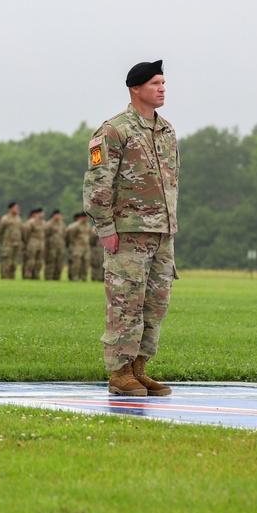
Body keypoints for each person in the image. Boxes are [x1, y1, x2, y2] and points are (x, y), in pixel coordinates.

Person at [84, 59, 179, 397]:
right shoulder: (114, 130)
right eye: (155, 83)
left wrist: (168, 227)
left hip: (161, 234)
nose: (162, 88)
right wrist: (105, 227)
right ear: (135, 89)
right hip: (127, 233)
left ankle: (139, 369)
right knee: (126, 302)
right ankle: (120, 372)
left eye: (164, 83)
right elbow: (98, 183)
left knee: (155, 304)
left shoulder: (167, 130)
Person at [0, 202, 23, 279]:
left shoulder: (18, 219)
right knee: (6, 262)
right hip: (8, 244)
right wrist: (4, 241)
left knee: (14, 263)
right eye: (16, 208)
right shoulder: (5, 219)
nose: (17, 209)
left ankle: (12, 278)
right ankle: (5, 278)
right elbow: (0, 231)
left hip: (17, 244)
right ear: (11, 209)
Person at [65, 212, 91, 281]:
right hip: (77, 247)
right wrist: (74, 244)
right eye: (84, 217)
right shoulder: (76, 226)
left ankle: (84, 277)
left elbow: (90, 236)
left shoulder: (88, 225)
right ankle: (74, 277)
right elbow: (71, 237)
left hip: (86, 247)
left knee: (86, 263)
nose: (86, 219)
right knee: (76, 263)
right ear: (81, 218)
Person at [21, 208, 46, 280]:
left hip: (41, 244)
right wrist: (27, 241)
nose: (43, 214)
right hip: (32, 243)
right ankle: (28, 275)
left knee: (39, 261)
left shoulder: (43, 223)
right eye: (41, 213)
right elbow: (26, 233)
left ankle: (36, 275)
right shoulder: (31, 222)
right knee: (30, 260)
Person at [44, 209, 66, 280]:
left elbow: (65, 235)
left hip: (60, 247)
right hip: (51, 247)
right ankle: (48, 277)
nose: (60, 216)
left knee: (59, 263)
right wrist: (46, 248)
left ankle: (57, 278)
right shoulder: (48, 224)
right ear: (54, 215)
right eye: (58, 215)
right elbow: (46, 237)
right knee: (51, 263)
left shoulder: (62, 224)